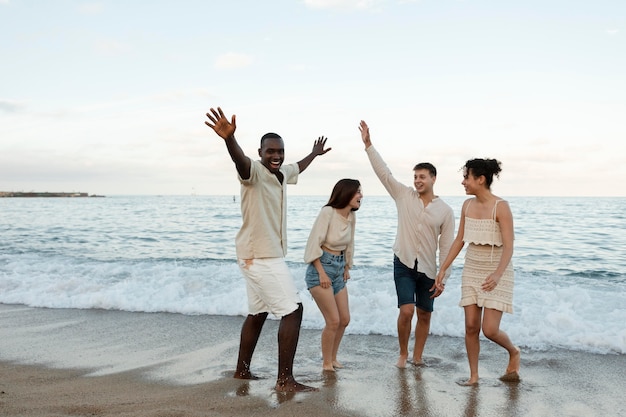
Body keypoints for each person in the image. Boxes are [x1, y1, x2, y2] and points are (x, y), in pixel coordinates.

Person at [205, 106, 331, 392]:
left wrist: (314, 154)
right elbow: (241, 163)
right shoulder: (253, 171)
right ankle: (285, 379)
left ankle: (242, 371)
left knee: (258, 312)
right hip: (259, 255)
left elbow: (297, 167)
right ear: (260, 152)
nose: (276, 156)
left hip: (258, 254)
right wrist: (228, 140)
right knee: (293, 310)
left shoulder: (282, 173)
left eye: (280, 151)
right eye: (270, 151)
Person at [358, 120, 455, 368]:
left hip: (429, 270)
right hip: (403, 262)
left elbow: (447, 246)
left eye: (422, 177)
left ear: (433, 178)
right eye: (415, 177)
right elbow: (384, 173)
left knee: (424, 314)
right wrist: (369, 145)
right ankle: (403, 353)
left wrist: (443, 276)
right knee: (407, 311)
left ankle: (418, 356)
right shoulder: (403, 195)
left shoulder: (445, 211)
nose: (417, 181)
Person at [434, 158, 520, 386]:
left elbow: (509, 246)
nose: (463, 182)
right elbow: (459, 239)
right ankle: (474, 376)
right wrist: (443, 268)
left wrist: (498, 274)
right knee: (471, 327)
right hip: (472, 267)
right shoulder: (467, 206)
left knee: (490, 330)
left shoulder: (501, 207)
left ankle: (513, 352)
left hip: (497, 270)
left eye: (466, 177)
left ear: (480, 179)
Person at [303, 179, 362, 372]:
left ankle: (333, 358)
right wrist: (321, 273)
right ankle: (326, 363)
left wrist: (347, 267)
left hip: (338, 268)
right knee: (333, 321)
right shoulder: (327, 212)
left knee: (344, 319)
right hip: (321, 268)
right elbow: (313, 244)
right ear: (346, 194)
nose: (361, 196)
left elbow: (350, 243)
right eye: (357, 193)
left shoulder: (351, 217)